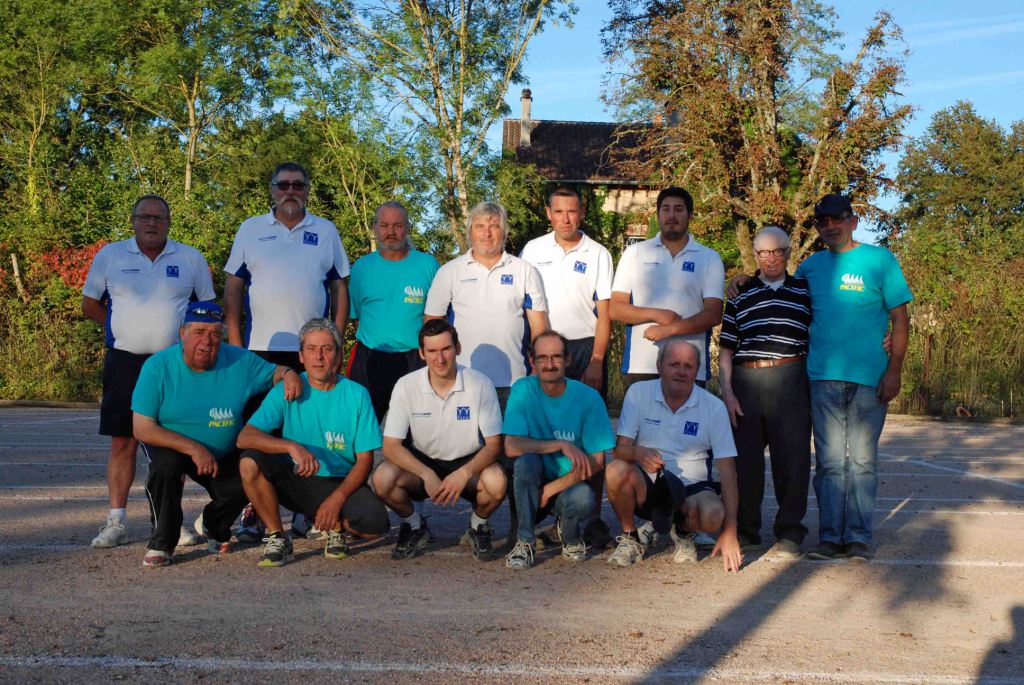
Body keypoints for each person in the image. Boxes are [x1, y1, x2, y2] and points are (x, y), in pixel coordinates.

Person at [82, 194, 216, 549]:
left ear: (169, 222)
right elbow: (90, 303)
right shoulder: (111, 255)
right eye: (145, 217)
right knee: (123, 440)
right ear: (134, 221)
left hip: (174, 365)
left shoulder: (190, 257)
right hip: (124, 361)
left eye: (159, 218)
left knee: (169, 445)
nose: (152, 223)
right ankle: (116, 522)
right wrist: (117, 331)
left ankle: (169, 521)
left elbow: (206, 308)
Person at [130, 301, 301, 567]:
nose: (207, 341)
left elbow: (275, 372)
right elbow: (142, 428)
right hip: (172, 444)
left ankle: (213, 524)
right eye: (199, 332)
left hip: (223, 449)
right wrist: (194, 449)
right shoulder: (157, 366)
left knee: (251, 469)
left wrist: (289, 373)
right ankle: (162, 541)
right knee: (165, 467)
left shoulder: (239, 360)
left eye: (215, 334)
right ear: (182, 333)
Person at [798, 195, 911, 561]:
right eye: (822, 221)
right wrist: (741, 281)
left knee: (862, 462)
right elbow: (783, 297)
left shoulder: (880, 260)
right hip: (822, 378)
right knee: (830, 463)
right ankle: (830, 537)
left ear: (853, 221)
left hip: (869, 379)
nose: (830, 226)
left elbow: (900, 318)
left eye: (837, 219)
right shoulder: (810, 267)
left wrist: (894, 370)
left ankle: (858, 538)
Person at [236, 318, 389, 567]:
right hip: (296, 478)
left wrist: (337, 499)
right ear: (301, 356)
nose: (318, 356)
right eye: (311, 349)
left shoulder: (357, 394)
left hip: (339, 481)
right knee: (249, 462)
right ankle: (278, 536)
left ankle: (335, 526)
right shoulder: (288, 389)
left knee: (375, 525)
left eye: (326, 349)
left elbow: (365, 461)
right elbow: (245, 437)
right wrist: (291, 446)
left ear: (338, 355)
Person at [519, 185, 615, 548]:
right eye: (558, 211)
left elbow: (605, 314)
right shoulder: (532, 250)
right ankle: (546, 512)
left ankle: (591, 517)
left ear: (582, 212)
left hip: (584, 348)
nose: (565, 218)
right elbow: (526, 307)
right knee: (543, 431)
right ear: (548, 214)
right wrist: (534, 357)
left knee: (592, 437)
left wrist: (597, 360)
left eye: (572, 211)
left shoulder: (598, 253)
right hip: (545, 351)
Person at [605, 340, 743, 573]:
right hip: (649, 483)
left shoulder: (714, 407)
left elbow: (728, 471)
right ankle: (630, 537)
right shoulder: (638, 393)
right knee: (615, 470)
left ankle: (682, 530)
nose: (681, 371)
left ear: (697, 371)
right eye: (674, 364)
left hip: (693, 487)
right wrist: (639, 452)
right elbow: (619, 451)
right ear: (659, 366)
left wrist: (730, 531)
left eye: (688, 366)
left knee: (713, 516)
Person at [374, 320, 506, 561]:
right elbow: (391, 446)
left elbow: (494, 444)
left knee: (497, 481)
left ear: (458, 348)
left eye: (446, 349)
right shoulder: (406, 385)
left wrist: (463, 474)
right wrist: (426, 474)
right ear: (422, 353)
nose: (440, 358)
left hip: (468, 462)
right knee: (382, 478)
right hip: (423, 463)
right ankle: (414, 525)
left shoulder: (480, 384)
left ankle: (477, 525)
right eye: (432, 351)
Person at [719, 226, 812, 560]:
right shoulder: (739, 294)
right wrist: (727, 393)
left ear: (788, 253)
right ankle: (747, 531)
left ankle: (789, 533)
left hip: (791, 377)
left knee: (793, 460)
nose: (771, 258)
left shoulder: (805, 290)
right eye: (764, 253)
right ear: (755, 255)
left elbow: (830, 329)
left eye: (777, 251)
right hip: (747, 380)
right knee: (746, 463)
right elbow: (726, 350)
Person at [502, 331, 616, 569]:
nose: (549, 364)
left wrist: (549, 490)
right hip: (531, 480)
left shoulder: (588, 397)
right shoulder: (523, 389)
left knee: (584, 498)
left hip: (567, 483)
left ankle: (570, 535)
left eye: (556, 357)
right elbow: (511, 446)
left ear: (568, 360)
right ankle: (525, 541)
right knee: (525, 462)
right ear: (532, 361)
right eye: (542, 357)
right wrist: (560, 444)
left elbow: (597, 460)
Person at [223, 161, 350, 369]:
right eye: (283, 185)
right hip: (259, 346)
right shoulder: (250, 228)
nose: (290, 191)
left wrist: (336, 342)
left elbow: (339, 288)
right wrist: (235, 344)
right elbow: (233, 289)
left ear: (307, 191)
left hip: (313, 348)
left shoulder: (326, 230)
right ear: (273, 190)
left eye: (297, 185)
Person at [424, 201, 549, 409]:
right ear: (470, 232)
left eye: (494, 226)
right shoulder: (449, 272)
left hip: (515, 383)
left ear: (504, 231)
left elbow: (540, 328)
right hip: (462, 381)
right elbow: (432, 328)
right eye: (480, 227)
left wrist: (538, 369)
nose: (487, 234)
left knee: (515, 433)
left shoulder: (525, 270)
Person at [610, 187, 724, 390]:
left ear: (690, 215)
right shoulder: (635, 253)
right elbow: (616, 309)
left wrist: (669, 330)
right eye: (666, 209)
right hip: (642, 364)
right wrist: (657, 314)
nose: (671, 215)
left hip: (689, 365)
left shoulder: (709, 258)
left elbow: (713, 315)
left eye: (678, 209)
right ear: (658, 214)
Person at [347, 201, 440, 421]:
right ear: (375, 227)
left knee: (419, 429)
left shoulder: (428, 265)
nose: (390, 232)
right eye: (384, 225)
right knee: (361, 426)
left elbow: (438, 319)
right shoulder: (361, 267)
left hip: (415, 360)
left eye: (397, 225)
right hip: (370, 358)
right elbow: (357, 317)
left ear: (408, 227)